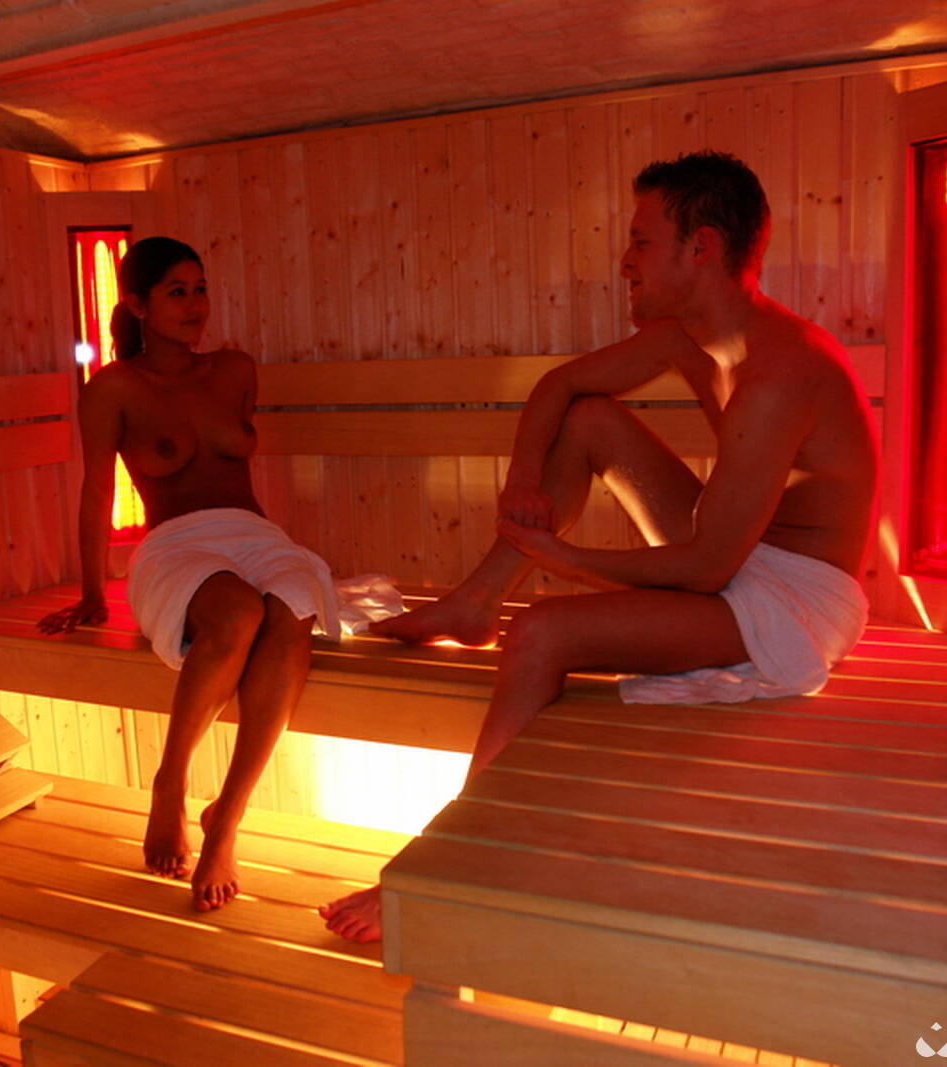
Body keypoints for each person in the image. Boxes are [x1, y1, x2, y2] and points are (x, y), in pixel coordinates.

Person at [320, 150, 878, 943]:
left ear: (701, 247)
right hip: (737, 550)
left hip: (792, 603)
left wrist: (563, 560)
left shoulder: (780, 372)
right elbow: (560, 387)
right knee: (589, 420)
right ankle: (476, 600)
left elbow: (704, 568)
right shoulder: (690, 336)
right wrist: (523, 484)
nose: (625, 260)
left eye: (641, 240)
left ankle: (455, 860)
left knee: (540, 634)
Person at [40, 237, 344, 912]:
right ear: (137, 304)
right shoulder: (114, 388)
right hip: (177, 543)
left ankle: (226, 819)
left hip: (255, 534)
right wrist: (92, 592)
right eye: (176, 292)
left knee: (293, 607)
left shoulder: (236, 369)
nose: (195, 305)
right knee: (237, 612)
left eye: (200, 289)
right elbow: (96, 491)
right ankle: (170, 786)